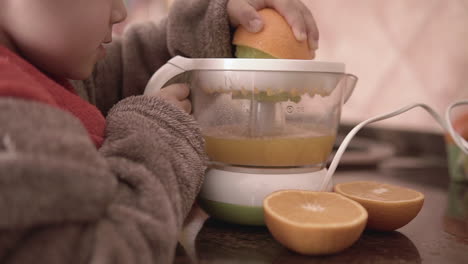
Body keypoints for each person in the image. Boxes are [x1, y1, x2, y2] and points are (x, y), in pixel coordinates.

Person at [0, 0, 318, 262]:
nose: (120, 12)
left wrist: (211, 27)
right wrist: (158, 130)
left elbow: (124, 71)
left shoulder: (38, 66)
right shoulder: (11, 116)